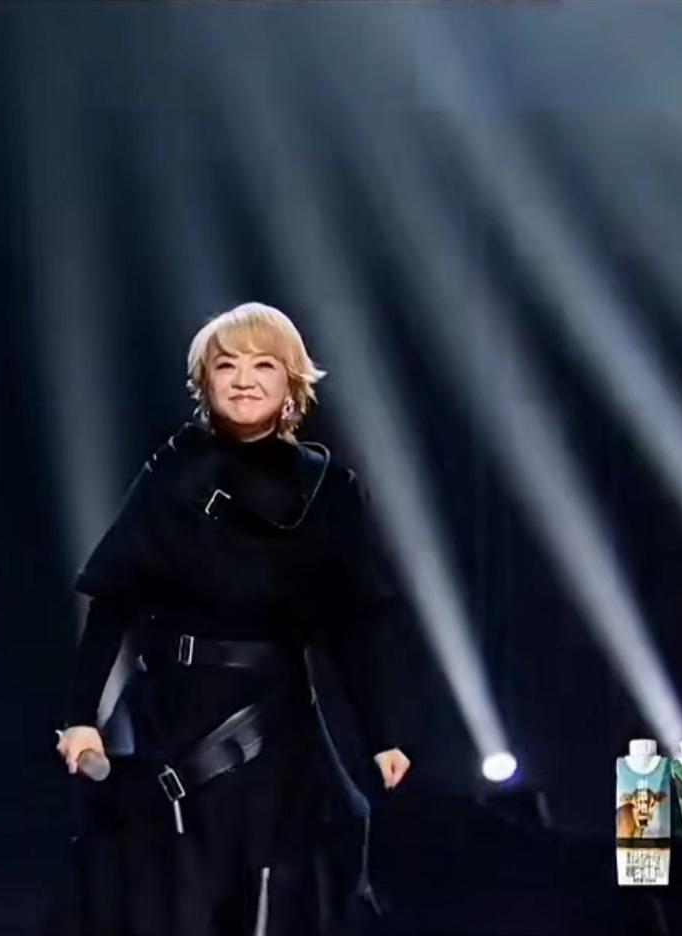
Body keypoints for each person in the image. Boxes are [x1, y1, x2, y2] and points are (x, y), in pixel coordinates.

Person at [54, 302, 417, 936]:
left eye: (263, 365)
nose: (244, 379)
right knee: (163, 896)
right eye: (226, 366)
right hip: (172, 715)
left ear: (291, 382)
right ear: (205, 382)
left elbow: (354, 626)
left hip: (280, 728)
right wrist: (81, 717)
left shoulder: (330, 488)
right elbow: (113, 603)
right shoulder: (171, 473)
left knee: (284, 891)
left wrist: (381, 735)